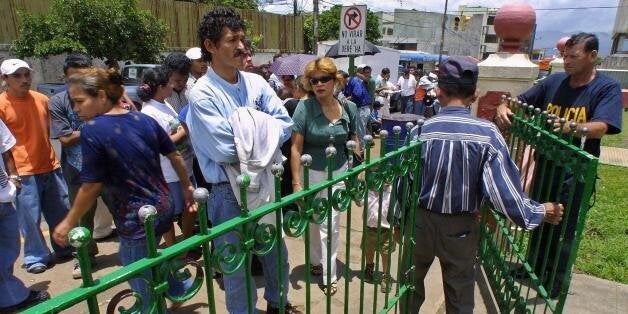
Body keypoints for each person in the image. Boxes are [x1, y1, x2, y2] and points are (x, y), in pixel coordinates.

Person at [404, 56, 564, 313]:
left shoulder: (420, 131)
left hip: (419, 223)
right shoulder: (487, 134)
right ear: (475, 93)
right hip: (461, 229)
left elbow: (404, 180)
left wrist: (401, 218)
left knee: (409, 288)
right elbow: (504, 195)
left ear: (439, 92)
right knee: (459, 296)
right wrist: (539, 211)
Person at [185, 8, 301, 314]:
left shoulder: (256, 84)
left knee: (276, 253)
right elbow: (223, 149)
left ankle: (278, 303)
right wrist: (263, 126)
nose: (241, 46)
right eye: (232, 39)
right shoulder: (203, 94)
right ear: (210, 46)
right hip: (226, 192)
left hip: (264, 181)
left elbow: (286, 125)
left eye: (242, 38)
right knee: (235, 266)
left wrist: (244, 125)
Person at [52, 67, 195, 312]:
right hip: (162, 207)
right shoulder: (143, 119)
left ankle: (154, 305)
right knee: (153, 257)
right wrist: (187, 187)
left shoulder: (93, 130)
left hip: (135, 218)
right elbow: (175, 157)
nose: (76, 109)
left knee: (138, 273)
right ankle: (178, 288)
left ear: (100, 95)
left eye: (79, 101)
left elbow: (91, 186)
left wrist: (69, 221)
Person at [494, 32, 622, 298]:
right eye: (565, 56)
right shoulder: (554, 82)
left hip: (574, 172)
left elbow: (604, 126)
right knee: (541, 216)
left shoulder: (605, 88)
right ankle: (533, 267)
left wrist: (574, 127)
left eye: (573, 57)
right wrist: (504, 107)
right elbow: (520, 101)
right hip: (547, 164)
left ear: (592, 56)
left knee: (563, 226)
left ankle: (556, 279)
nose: (567, 62)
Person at [291, 57, 361, 296]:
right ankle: (313, 259)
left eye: (324, 79)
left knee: (330, 225)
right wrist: (297, 183)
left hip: (338, 171)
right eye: (314, 80)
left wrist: (356, 170)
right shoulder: (305, 107)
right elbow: (296, 148)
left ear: (335, 81)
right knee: (312, 220)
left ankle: (328, 275)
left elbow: (355, 140)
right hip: (311, 173)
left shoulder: (348, 108)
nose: (319, 84)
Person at [0, 58, 72, 274]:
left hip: (50, 164)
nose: (24, 79)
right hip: (22, 171)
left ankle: (63, 247)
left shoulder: (41, 99)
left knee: (60, 209)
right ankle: (35, 256)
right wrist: (11, 175)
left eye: (26, 74)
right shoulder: (2, 105)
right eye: (17, 76)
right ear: (5, 79)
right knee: (30, 218)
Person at [48, 53, 115, 279]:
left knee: (121, 208)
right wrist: (94, 127)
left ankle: (132, 252)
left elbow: (117, 121)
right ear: (65, 78)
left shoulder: (102, 96)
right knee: (82, 217)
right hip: (77, 168)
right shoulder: (58, 102)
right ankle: (85, 258)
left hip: (107, 165)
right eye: (73, 78)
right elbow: (65, 139)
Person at [138, 66, 196, 242]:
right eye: (170, 83)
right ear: (161, 86)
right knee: (168, 213)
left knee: (191, 207)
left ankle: (186, 243)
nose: (173, 86)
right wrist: (184, 131)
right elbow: (158, 143)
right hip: (168, 173)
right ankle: (173, 249)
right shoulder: (149, 113)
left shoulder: (165, 104)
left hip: (184, 168)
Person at [0, 119, 51, 312]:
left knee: (8, 249)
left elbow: (5, 144)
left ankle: (9, 295)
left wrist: (13, 176)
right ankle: (12, 298)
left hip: (3, 195)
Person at [363, 183, 398, 293]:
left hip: (386, 229)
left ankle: (386, 276)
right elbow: (359, 203)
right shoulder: (367, 189)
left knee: (385, 253)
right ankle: (369, 268)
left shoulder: (391, 191)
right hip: (369, 227)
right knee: (368, 249)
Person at [343, 64, 372, 151]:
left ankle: (362, 151)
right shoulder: (351, 81)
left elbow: (357, 94)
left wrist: (347, 98)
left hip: (362, 109)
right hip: (362, 108)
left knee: (360, 132)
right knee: (361, 130)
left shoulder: (354, 80)